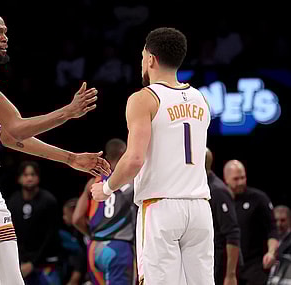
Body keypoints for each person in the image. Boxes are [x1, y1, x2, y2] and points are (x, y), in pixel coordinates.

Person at [0, 10, 111, 285]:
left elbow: (11, 138)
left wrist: (70, 158)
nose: (5, 38)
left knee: (12, 278)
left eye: (5, 32)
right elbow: (16, 126)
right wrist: (68, 112)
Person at [91, 27, 214, 285]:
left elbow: (134, 159)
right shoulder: (201, 98)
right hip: (200, 206)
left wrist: (107, 188)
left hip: (162, 206)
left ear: (150, 59)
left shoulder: (143, 98)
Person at [73, 138, 136, 285]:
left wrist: (93, 235)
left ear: (106, 158)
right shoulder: (133, 180)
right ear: (124, 154)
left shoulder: (93, 182)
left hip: (95, 248)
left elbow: (76, 219)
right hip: (119, 248)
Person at [223, 160, 279, 285]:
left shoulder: (259, 199)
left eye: (243, 177)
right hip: (227, 266)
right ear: (226, 179)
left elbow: (272, 230)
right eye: (236, 179)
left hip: (255, 267)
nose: (241, 182)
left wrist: (271, 252)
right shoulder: (220, 200)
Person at [7, 161, 61, 285]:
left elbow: (51, 235)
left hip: (45, 263)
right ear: (19, 178)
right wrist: (20, 261)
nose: (29, 178)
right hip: (21, 264)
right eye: (25, 175)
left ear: (38, 178)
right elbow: (12, 234)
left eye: (33, 174)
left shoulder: (49, 201)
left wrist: (33, 263)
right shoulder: (13, 202)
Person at [206, 149, 240, 285]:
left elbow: (232, 233)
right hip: (210, 260)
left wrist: (230, 275)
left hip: (221, 265)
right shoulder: (201, 187)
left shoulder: (217, 191)